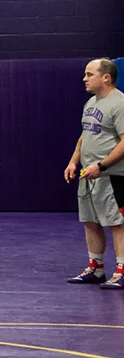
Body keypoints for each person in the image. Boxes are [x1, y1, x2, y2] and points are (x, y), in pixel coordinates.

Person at [66, 57, 124, 288]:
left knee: (116, 223)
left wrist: (100, 166)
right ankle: (96, 268)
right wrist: (73, 162)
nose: (85, 79)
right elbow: (85, 135)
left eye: (90, 74)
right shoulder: (91, 103)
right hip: (88, 175)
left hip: (111, 176)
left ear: (106, 77)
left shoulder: (119, 103)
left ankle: (121, 270)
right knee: (90, 221)